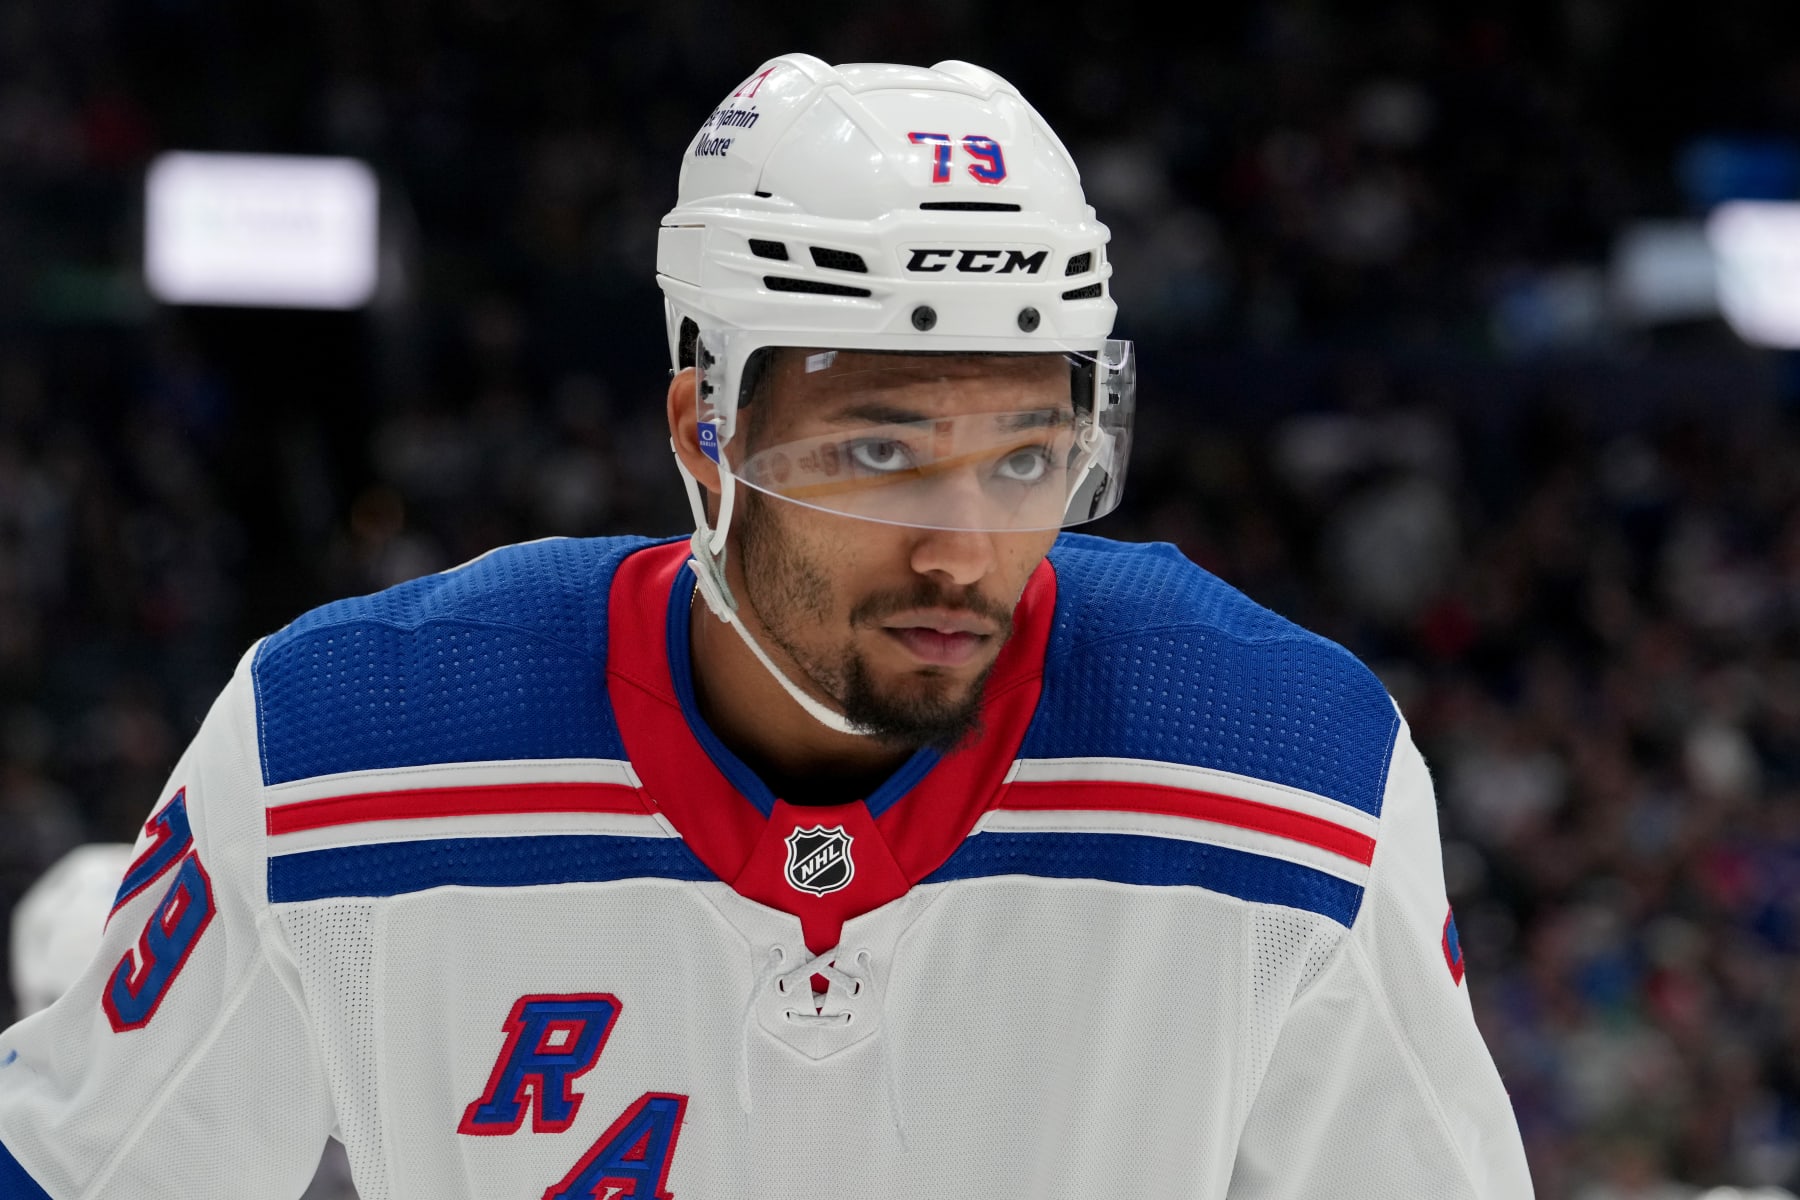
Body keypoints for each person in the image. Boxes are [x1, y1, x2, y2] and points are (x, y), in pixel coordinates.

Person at [0, 54, 1532, 1199]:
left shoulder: (1293, 773)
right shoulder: (337, 749)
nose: (964, 547)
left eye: (1023, 454)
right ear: (702, 432)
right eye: (875, 452)